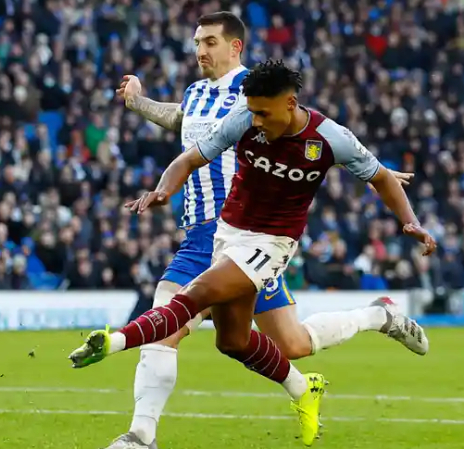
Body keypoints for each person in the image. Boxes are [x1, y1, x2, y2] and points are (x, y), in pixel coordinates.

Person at [70, 59, 437, 447]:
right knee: (234, 342)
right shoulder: (243, 119)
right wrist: (165, 189)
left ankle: (115, 350)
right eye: (253, 111)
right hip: (227, 234)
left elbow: (380, 176)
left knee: (193, 298)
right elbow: (188, 159)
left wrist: (409, 220)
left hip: (271, 245)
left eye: (264, 112)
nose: (257, 120)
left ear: (291, 103)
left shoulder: (331, 138)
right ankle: (377, 316)